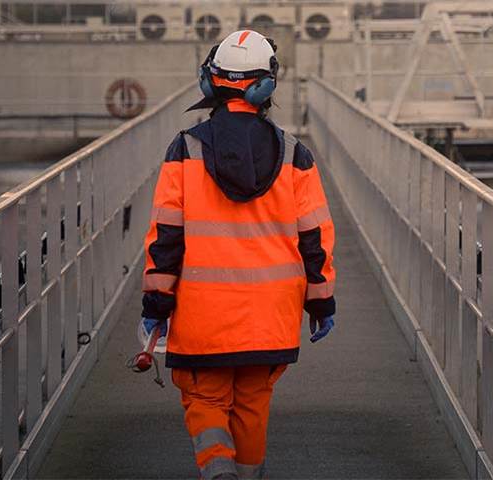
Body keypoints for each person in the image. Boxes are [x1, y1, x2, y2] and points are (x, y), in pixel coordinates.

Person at [138, 29, 336, 480]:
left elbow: (165, 238)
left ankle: (218, 471)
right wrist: (321, 303)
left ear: (209, 82)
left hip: (202, 317)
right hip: (272, 317)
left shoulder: (185, 150)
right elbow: (316, 238)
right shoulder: (294, 154)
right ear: (267, 86)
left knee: (206, 400)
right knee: (252, 405)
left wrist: (156, 307)